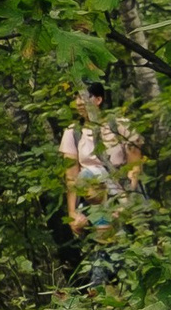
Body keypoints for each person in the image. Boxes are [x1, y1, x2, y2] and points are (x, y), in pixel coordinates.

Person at [57, 85, 141, 287]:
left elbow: (135, 166)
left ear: (98, 99)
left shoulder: (119, 126)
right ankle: (100, 285)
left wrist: (127, 202)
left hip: (120, 194)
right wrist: (72, 214)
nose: (79, 102)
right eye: (76, 98)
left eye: (83, 97)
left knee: (125, 250)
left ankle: (112, 284)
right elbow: (71, 176)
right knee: (88, 174)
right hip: (91, 197)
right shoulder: (73, 133)